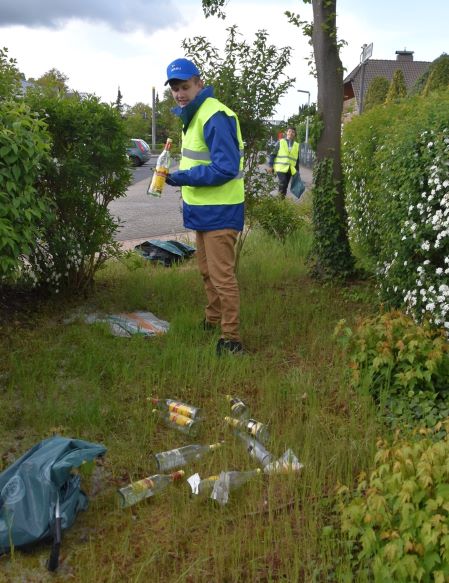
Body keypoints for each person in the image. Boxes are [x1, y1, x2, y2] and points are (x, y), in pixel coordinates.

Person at [164, 58, 245, 356]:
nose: (180, 94)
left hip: (221, 211)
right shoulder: (194, 115)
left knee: (222, 276)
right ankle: (213, 321)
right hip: (204, 211)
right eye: (175, 89)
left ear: (199, 83)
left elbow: (225, 168)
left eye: (185, 86)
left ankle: (231, 339)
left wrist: (182, 178)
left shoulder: (215, 115)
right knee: (206, 272)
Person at [267, 127, 300, 198]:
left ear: (295, 134)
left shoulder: (296, 145)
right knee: (283, 182)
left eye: (293, 132)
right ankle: (279, 200)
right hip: (280, 168)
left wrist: (297, 171)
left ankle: (281, 201)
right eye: (289, 131)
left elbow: (297, 160)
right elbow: (273, 154)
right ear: (286, 133)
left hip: (290, 169)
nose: (291, 133)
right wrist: (270, 166)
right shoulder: (280, 142)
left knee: (285, 186)